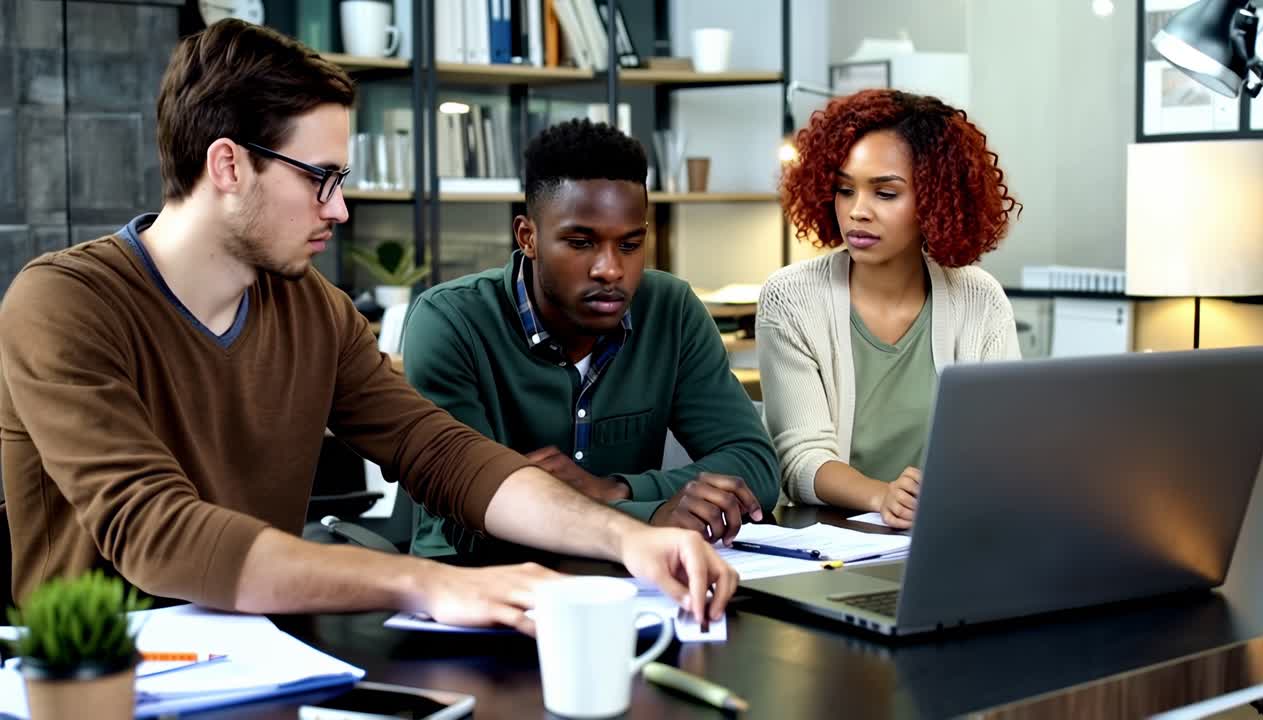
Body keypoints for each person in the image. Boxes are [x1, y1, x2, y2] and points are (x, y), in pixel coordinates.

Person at [0, 19, 736, 633]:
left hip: (273, 660)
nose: (338, 209)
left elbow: (441, 452)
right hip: (99, 678)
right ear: (228, 165)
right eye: (318, 177)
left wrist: (629, 539)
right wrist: (425, 584)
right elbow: (154, 530)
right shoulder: (64, 304)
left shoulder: (314, 311)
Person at [401, 119, 780, 557]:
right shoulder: (450, 322)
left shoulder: (670, 309)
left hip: (632, 582)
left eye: (630, 245)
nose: (610, 269)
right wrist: (648, 517)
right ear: (529, 237)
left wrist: (614, 490)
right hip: (471, 585)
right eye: (581, 243)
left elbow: (756, 468)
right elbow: (470, 517)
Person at [757, 89, 1022, 530]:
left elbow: (1008, 443)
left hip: (955, 533)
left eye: (885, 193)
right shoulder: (791, 298)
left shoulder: (981, 299)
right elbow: (800, 459)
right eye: (845, 190)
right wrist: (884, 497)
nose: (858, 212)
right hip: (835, 544)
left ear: (935, 201)